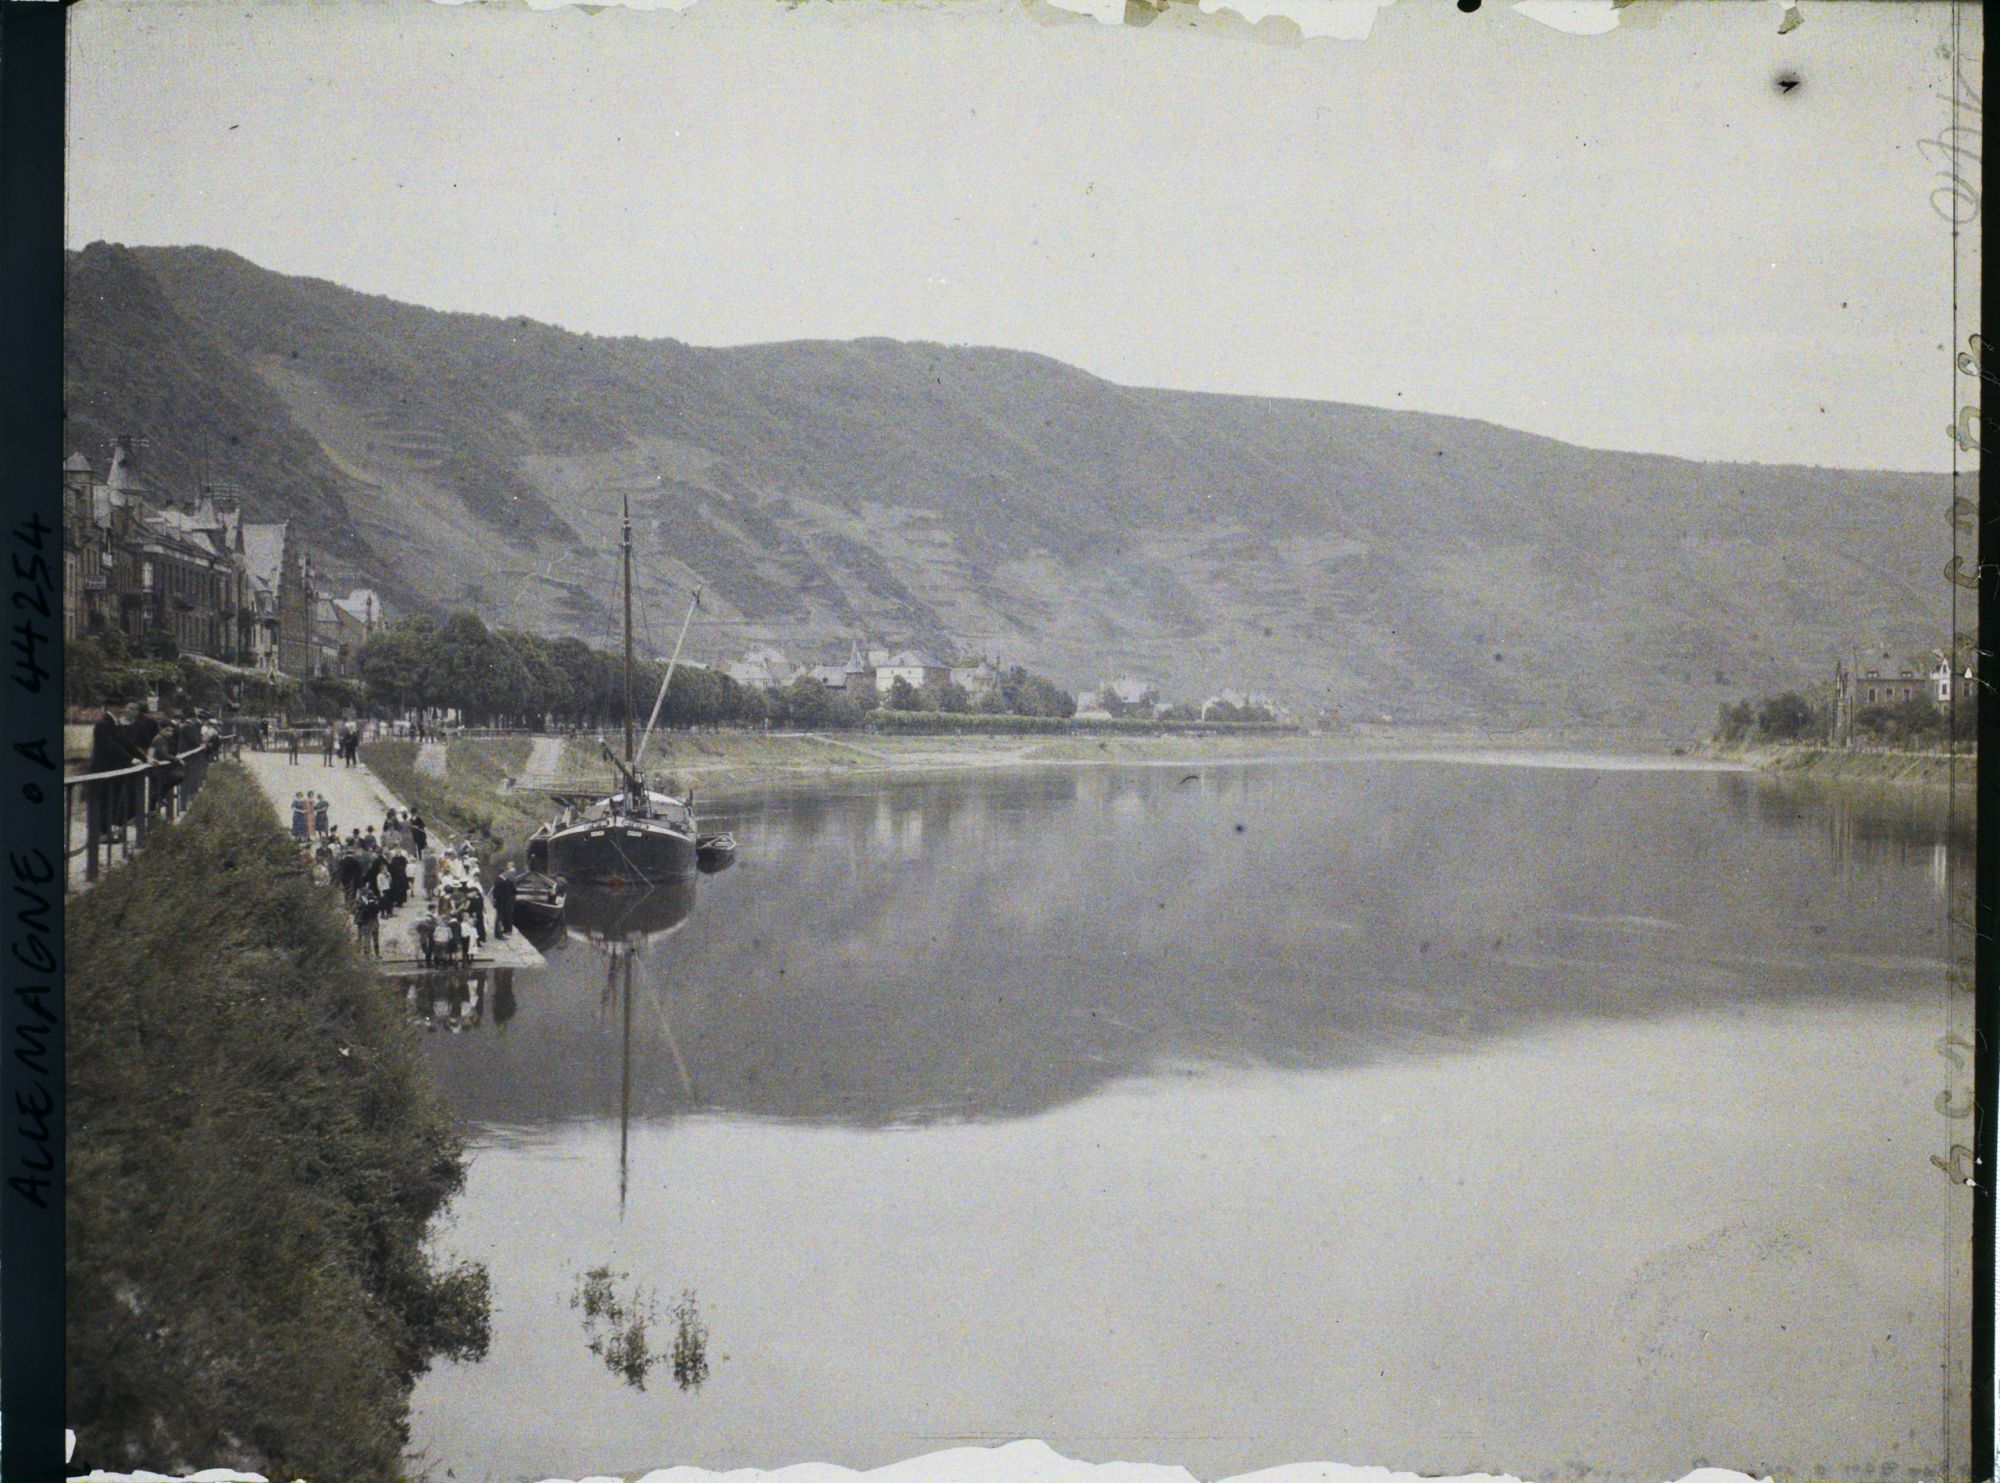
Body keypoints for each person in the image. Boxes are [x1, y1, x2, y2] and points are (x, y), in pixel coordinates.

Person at [353, 885, 382, 957]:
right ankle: (369, 953)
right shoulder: (371, 900)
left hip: (366, 921)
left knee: (367, 937)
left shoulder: (361, 901)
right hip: (367, 921)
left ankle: (368, 954)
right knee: (367, 937)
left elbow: (355, 910)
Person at [491, 871, 517, 940]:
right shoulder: (498, 881)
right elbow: (496, 894)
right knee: (500, 919)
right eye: (506, 873)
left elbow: (514, 891)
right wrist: (505, 899)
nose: (508, 874)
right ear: (503, 873)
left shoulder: (507, 881)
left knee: (505, 918)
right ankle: (498, 934)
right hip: (501, 904)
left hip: (506, 904)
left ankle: (505, 931)